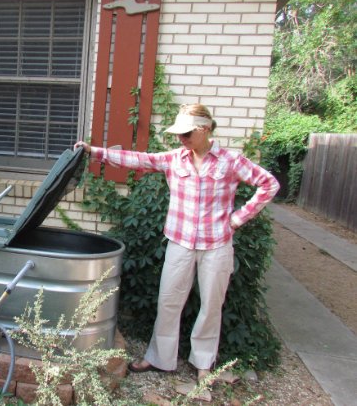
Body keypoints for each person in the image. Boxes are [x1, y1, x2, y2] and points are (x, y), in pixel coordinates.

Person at [75, 103, 279, 383]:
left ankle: (204, 364)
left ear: (204, 130)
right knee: (169, 301)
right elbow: (138, 160)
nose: (180, 139)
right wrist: (94, 152)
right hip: (180, 242)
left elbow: (269, 184)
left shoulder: (231, 161)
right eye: (179, 134)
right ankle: (159, 358)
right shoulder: (175, 159)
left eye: (186, 134)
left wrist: (237, 219)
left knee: (211, 305)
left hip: (217, 245)